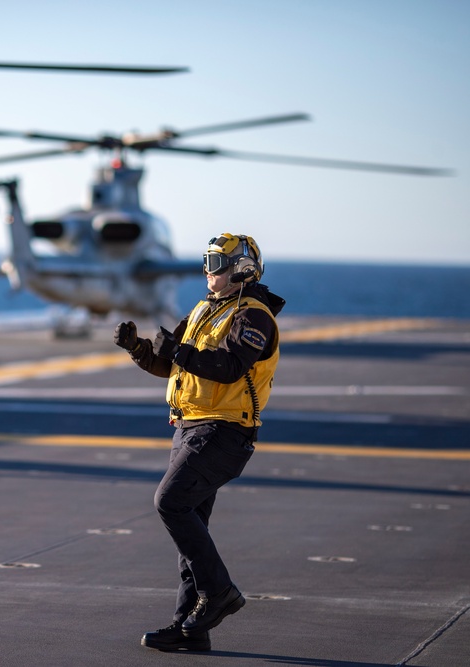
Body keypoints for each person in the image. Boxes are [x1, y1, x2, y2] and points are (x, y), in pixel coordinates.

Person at [113, 233, 285, 653]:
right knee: (192, 526)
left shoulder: (253, 316)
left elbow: (227, 367)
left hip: (224, 431)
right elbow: (170, 362)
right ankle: (190, 627)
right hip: (190, 427)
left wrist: (181, 353)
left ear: (242, 269)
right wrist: (137, 349)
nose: (207, 271)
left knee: (170, 503)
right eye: (206, 262)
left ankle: (220, 592)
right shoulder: (205, 310)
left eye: (215, 262)